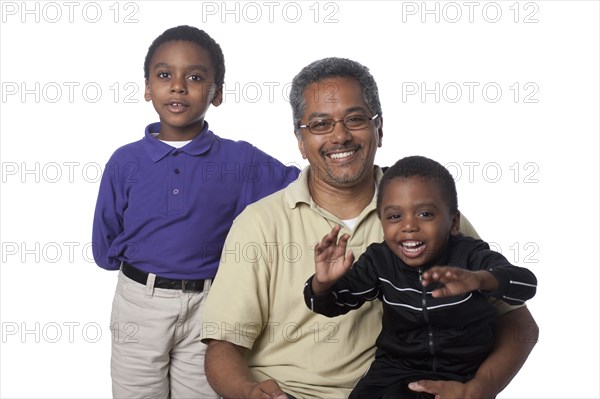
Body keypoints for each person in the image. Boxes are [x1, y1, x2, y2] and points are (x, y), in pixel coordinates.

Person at [201, 57, 539, 399]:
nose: (341, 135)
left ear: (379, 128)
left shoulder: (428, 212)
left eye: (355, 119)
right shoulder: (259, 224)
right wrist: (249, 392)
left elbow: (518, 323)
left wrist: (478, 390)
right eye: (320, 124)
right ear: (300, 141)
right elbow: (222, 347)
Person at [91, 25, 299, 398]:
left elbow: (302, 185)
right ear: (147, 86)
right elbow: (105, 234)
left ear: (216, 93)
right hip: (140, 302)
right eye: (165, 74)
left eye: (196, 77)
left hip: (210, 304)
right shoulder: (126, 161)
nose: (178, 86)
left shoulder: (239, 160)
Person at [305, 155, 538, 399]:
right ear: (382, 222)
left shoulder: (470, 254)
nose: (409, 226)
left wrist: (480, 279)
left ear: (454, 222)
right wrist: (323, 283)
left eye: (425, 214)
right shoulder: (379, 259)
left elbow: (526, 284)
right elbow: (332, 303)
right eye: (395, 216)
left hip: (461, 371)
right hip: (394, 369)